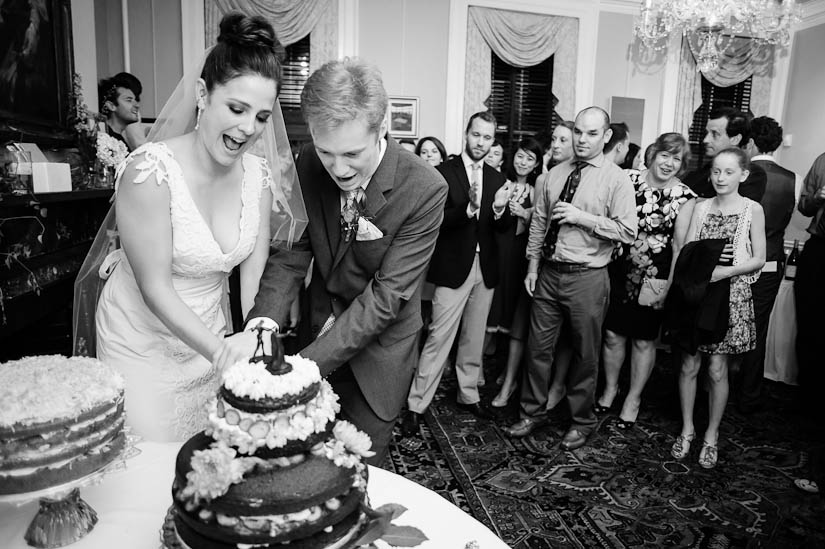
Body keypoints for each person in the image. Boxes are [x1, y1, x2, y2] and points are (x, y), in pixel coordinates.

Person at [80, 13, 306, 441]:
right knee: (144, 461)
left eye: (261, 117)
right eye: (236, 109)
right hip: (142, 341)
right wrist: (223, 352)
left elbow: (251, 277)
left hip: (209, 336)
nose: (248, 130)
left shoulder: (257, 177)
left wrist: (255, 340)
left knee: (201, 459)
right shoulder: (148, 173)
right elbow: (155, 288)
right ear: (203, 94)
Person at [246, 58, 448, 465]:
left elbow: (386, 297)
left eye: (352, 154)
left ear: (382, 128)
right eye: (326, 152)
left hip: (381, 354)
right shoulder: (306, 163)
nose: (338, 169)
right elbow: (291, 253)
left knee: (359, 470)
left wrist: (304, 366)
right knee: (298, 461)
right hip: (317, 328)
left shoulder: (425, 187)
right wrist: (262, 323)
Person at [504, 107, 637, 450]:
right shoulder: (553, 174)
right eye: (578, 131)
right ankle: (532, 413)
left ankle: (582, 421)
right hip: (548, 273)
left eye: (591, 133)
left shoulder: (617, 179)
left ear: (606, 137)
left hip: (588, 277)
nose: (582, 139)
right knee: (538, 350)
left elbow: (627, 232)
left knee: (584, 354)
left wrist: (583, 217)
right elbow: (539, 223)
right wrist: (533, 267)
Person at [402, 111, 510, 434]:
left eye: (487, 138)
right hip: (453, 266)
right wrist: (467, 211)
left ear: (493, 141)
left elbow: (502, 228)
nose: (481, 142)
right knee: (438, 336)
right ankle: (416, 403)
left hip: (485, 268)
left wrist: (501, 210)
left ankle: (468, 393)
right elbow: (435, 221)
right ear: (467, 133)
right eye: (476, 135)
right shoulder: (443, 173)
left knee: (474, 338)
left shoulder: (496, 178)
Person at [671, 148, 765, 469]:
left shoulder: (753, 210)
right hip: (698, 293)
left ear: (743, 175)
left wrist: (722, 272)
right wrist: (699, 272)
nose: (720, 178)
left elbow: (758, 258)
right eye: (715, 172)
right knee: (688, 365)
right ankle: (687, 429)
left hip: (731, 294)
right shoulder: (700, 208)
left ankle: (711, 435)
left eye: (728, 172)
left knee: (716, 369)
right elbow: (688, 250)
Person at [596, 133, 696, 426]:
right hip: (618, 268)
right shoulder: (628, 179)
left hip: (656, 276)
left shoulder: (685, 196)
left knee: (643, 340)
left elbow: (679, 248)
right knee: (613, 334)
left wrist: (669, 287)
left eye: (676, 158)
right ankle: (611, 388)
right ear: (653, 154)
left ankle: (633, 397)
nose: (669, 163)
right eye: (665, 154)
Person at [737, 116, 796, 414]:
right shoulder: (789, 177)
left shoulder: (745, 173)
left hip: (740, 258)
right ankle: (749, 394)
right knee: (757, 328)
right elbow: (786, 216)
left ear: (750, 141)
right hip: (772, 259)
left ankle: (715, 384)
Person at [487, 137, 542, 407]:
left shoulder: (537, 189)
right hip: (498, 248)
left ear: (536, 165)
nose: (523, 162)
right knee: (492, 304)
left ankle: (506, 371)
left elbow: (541, 221)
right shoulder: (500, 182)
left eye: (529, 159)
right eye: (520, 156)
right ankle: (486, 360)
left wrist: (527, 212)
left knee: (512, 310)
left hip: (521, 254)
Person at [683, 107, 766, 202]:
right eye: (706, 133)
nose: (705, 140)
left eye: (715, 134)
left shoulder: (753, 173)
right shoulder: (704, 170)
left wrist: (691, 201)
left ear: (735, 139)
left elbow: (733, 207)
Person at [98, 72, 147, 152]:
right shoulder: (105, 142)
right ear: (111, 106)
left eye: (135, 100)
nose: (137, 105)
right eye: (129, 100)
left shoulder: (119, 141)